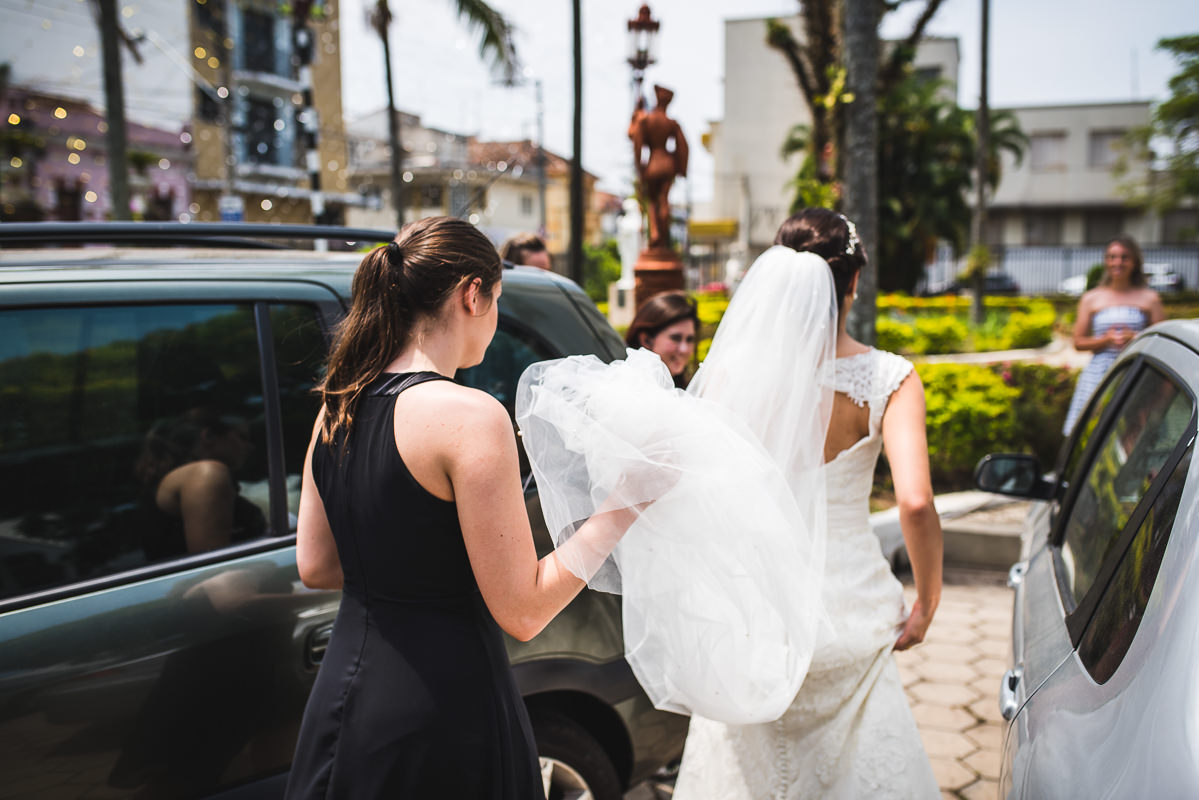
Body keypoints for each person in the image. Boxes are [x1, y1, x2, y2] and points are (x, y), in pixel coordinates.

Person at [518, 208, 943, 797]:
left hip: (759, 612)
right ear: (852, 282)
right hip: (851, 611)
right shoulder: (889, 378)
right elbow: (917, 502)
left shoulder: (735, 380)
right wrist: (927, 599)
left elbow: (678, 481)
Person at [284, 216, 638, 799]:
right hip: (442, 703)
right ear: (472, 294)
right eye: (496, 300)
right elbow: (523, 612)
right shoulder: (471, 416)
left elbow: (316, 565)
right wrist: (625, 506)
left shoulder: (337, 404)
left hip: (346, 700)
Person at [1063, 234, 1164, 434]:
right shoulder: (1091, 298)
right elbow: (1078, 342)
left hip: (1136, 373)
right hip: (1099, 374)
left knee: (1133, 430)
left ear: (1134, 262)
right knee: (1090, 431)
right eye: (1112, 257)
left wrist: (1135, 338)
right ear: (1106, 261)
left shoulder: (1149, 298)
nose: (1117, 262)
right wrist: (1106, 340)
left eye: (1124, 257)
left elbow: (1162, 340)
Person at [134, 408, 265, 558]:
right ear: (208, 436)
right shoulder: (206, 474)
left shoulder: (177, 479)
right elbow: (215, 568)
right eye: (242, 437)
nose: (249, 446)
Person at [631, 84, 688, 251]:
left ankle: (655, 232)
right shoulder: (671, 123)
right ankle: (662, 236)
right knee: (664, 200)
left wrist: (640, 168)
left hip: (653, 164)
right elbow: (683, 147)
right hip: (668, 164)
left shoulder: (646, 120)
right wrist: (680, 167)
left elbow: (638, 146)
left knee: (652, 200)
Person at [624, 290, 700, 388]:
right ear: (646, 340)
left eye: (689, 340)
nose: (684, 349)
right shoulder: (631, 388)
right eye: (675, 338)